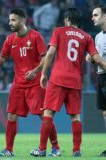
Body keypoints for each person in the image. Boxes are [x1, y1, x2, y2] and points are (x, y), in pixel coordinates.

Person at [30, 7, 106, 157]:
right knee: (75, 116)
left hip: (58, 78)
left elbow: (50, 53)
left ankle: (42, 149)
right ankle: (76, 150)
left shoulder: (59, 31)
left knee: (48, 113)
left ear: (67, 19)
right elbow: (96, 58)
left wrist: (43, 73)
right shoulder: (87, 37)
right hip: (75, 80)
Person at [0, 8, 60, 157]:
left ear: (22, 20)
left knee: (43, 115)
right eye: (9, 20)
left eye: (13, 20)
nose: (10, 23)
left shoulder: (35, 36)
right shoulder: (10, 39)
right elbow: (1, 60)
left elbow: (45, 57)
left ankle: (55, 147)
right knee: (11, 116)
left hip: (35, 83)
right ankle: (9, 149)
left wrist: (35, 71)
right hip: (18, 84)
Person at [86, 4, 106, 157]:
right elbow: (93, 57)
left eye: (96, 15)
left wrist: (96, 59)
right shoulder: (98, 37)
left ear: (105, 16)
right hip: (101, 76)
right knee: (105, 113)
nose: (92, 18)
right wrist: (91, 58)